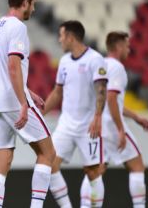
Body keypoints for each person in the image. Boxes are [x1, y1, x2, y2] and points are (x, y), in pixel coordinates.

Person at [0, 0, 56, 208]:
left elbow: (3, 67)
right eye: (32, 4)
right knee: (47, 152)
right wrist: (23, 101)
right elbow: (13, 67)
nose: (33, 9)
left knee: (1, 162)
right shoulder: (18, 27)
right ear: (25, 2)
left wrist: (28, 92)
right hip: (12, 101)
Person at [79, 31, 148, 208]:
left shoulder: (99, 65)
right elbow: (111, 98)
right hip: (111, 125)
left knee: (96, 170)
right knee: (137, 166)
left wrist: (136, 117)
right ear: (118, 47)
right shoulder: (117, 68)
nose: (129, 50)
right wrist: (120, 129)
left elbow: (111, 101)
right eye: (127, 46)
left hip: (95, 124)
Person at [42, 20, 108, 208]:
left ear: (71, 37)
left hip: (89, 126)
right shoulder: (64, 61)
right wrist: (41, 114)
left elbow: (101, 89)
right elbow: (57, 92)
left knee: (93, 171)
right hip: (66, 124)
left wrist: (97, 117)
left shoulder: (95, 59)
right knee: (50, 164)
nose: (60, 40)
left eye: (62, 36)